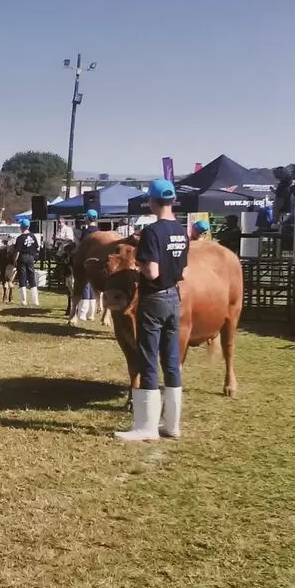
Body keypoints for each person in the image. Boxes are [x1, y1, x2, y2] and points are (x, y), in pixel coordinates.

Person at [115, 178, 188, 442]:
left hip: (154, 299)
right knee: (171, 360)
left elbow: (153, 271)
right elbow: (184, 271)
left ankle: (146, 426)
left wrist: (138, 268)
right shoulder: (181, 229)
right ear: (173, 200)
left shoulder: (152, 232)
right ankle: (172, 425)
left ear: (152, 201)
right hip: (173, 298)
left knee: (147, 358)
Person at [74, 209, 101, 322]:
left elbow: (81, 247)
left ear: (87, 218)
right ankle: (91, 313)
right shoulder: (99, 232)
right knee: (94, 287)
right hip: (98, 261)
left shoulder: (86, 232)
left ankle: (82, 313)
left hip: (86, 260)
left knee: (85, 285)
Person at [13, 218, 40, 306]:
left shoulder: (20, 238)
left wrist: (15, 260)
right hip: (31, 258)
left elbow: (17, 251)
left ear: (21, 227)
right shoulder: (33, 236)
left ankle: (24, 300)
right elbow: (37, 247)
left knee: (22, 278)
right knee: (32, 278)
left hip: (22, 258)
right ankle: (35, 300)